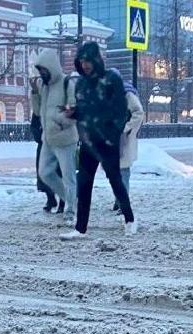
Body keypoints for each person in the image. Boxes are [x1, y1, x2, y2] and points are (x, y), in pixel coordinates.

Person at [60, 41, 135, 238]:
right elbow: (86, 111)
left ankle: (130, 219)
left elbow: (120, 110)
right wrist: (74, 113)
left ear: (96, 60)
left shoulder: (111, 79)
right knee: (83, 184)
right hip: (87, 142)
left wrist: (113, 135)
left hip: (106, 141)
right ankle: (80, 228)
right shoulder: (81, 84)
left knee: (115, 181)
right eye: (82, 61)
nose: (84, 65)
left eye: (88, 60)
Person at [33, 49, 78, 224]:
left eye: (43, 70)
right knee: (44, 173)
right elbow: (38, 112)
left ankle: (71, 210)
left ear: (51, 67)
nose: (41, 73)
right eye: (40, 70)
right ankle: (70, 199)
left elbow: (74, 112)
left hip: (65, 139)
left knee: (69, 177)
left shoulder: (67, 83)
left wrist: (60, 120)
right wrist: (34, 94)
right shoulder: (44, 87)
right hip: (48, 139)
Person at [28, 77, 61, 213]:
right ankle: (50, 198)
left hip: (59, 145)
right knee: (44, 174)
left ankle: (63, 202)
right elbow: (34, 123)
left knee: (60, 173)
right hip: (44, 145)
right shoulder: (40, 109)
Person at [114, 80, 145, 213]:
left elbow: (138, 112)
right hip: (113, 136)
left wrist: (126, 128)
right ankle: (119, 199)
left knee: (123, 170)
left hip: (122, 137)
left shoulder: (126, 95)